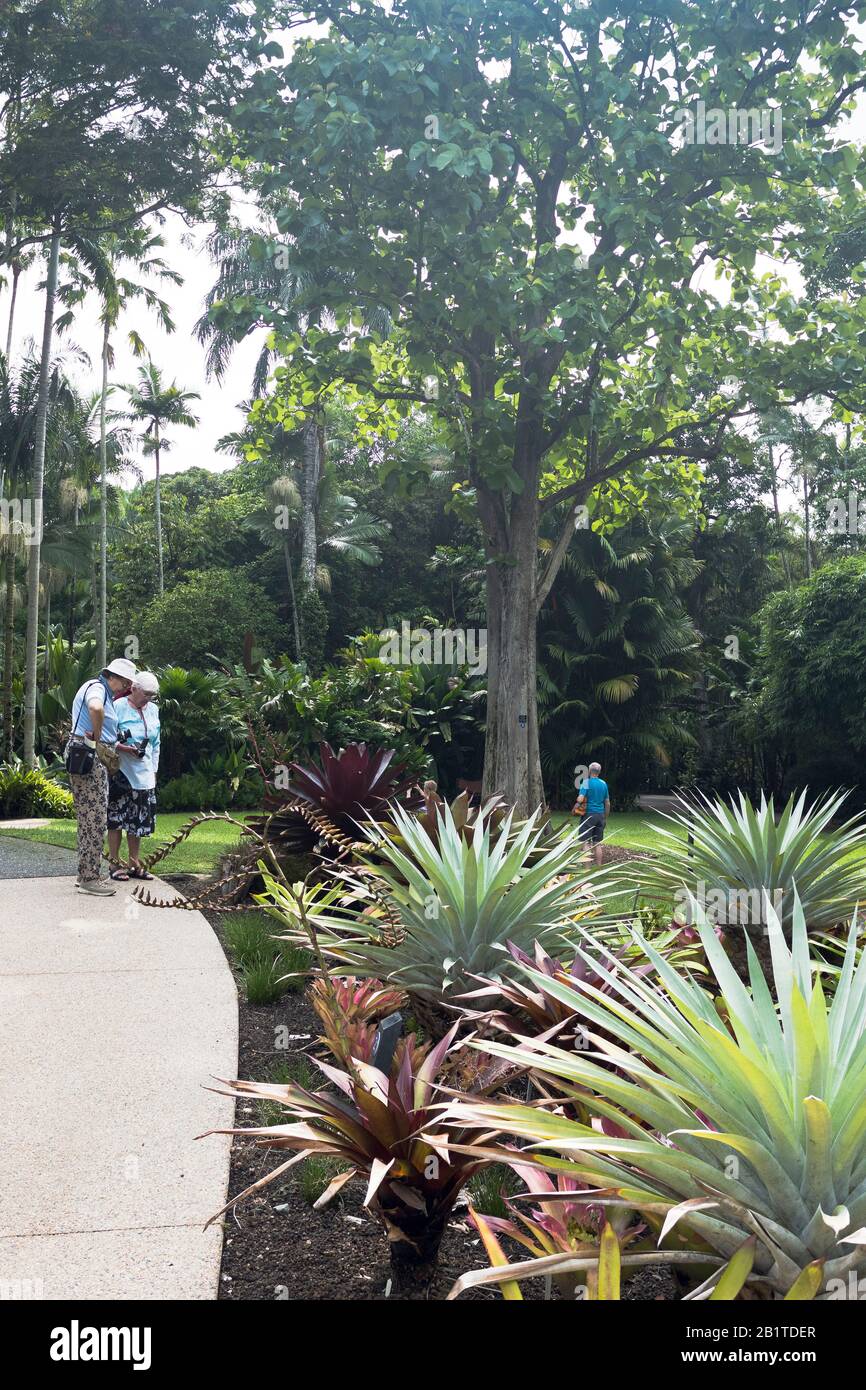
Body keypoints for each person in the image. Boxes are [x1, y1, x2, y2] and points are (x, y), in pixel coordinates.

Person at [66, 657, 137, 895]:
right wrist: (97, 738)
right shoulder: (97, 688)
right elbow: (95, 708)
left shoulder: (102, 690)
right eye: (125, 682)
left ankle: (84, 873)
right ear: (113, 677)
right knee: (95, 818)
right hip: (88, 753)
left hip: (85, 753)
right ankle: (90, 878)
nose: (126, 687)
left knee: (89, 817)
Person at [107, 672, 161, 881]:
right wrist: (125, 748)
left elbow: (156, 744)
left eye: (152, 695)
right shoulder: (118, 706)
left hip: (145, 775)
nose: (149, 698)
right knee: (116, 819)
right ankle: (114, 863)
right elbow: (106, 738)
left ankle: (133, 862)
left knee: (137, 821)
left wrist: (154, 770)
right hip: (121, 772)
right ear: (135, 688)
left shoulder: (153, 710)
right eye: (146, 693)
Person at [575, 761, 610, 867]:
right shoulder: (604, 784)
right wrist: (605, 817)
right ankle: (598, 868)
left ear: (590, 771)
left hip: (588, 815)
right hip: (600, 815)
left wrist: (578, 799)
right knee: (597, 843)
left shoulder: (586, 782)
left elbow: (580, 799)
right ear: (599, 772)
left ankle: (587, 869)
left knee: (585, 842)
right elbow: (607, 802)